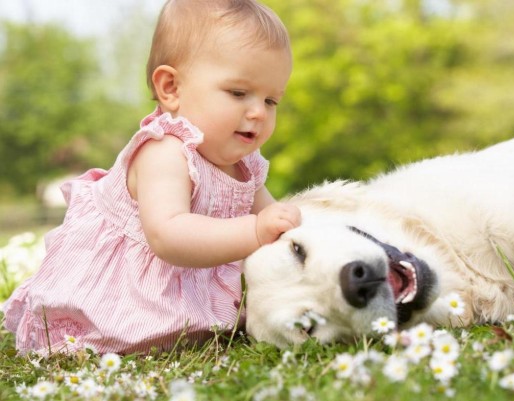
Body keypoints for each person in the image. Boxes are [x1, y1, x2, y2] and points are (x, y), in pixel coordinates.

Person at [3, 0, 301, 355]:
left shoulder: (246, 164)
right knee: (102, 338)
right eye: (238, 93)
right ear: (171, 88)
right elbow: (168, 234)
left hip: (182, 292)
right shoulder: (165, 150)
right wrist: (255, 230)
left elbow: (277, 223)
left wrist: (291, 229)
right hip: (121, 296)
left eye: (271, 101)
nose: (257, 112)